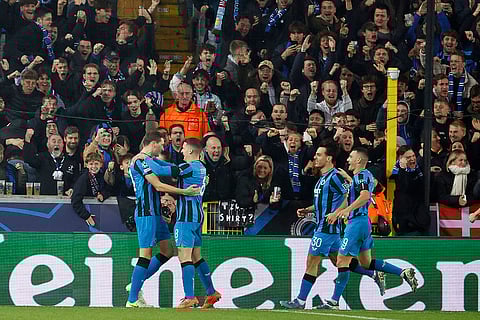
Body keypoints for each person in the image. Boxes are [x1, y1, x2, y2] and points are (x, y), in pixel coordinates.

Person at [279, 144, 385, 309]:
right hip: (328, 229)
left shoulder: (336, 176)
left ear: (328, 158)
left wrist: (337, 213)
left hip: (327, 229)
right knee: (341, 262)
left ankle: (300, 301)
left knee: (311, 262)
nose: (315, 157)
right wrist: (308, 209)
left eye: (319, 154)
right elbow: (323, 202)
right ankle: (373, 274)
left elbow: (348, 196)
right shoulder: (323, 177)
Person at [317, 147, 419, 310]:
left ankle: (334, 301)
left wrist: (346, 211)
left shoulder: (363, 175)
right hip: (363, 224)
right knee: (366, 262)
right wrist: (338, 211)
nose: (348, 159)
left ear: (359, 160)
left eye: (351, 157)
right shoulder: (359, 177)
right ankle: (402, 272)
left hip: (356, 224)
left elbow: (365, 196)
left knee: (341, 261)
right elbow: (357, 194)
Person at [125, 132, 200, 308]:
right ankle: (133, 298)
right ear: (152, 144)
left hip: (155, 213)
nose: (163, 147)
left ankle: (136, 285)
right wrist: (184, 191)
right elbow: (157, 184)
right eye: (161, 144)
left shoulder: (149, 160)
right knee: (145, 254)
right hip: (146, 213)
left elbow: (167, 167)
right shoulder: (139, 161)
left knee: (167, 250)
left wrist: (192, 168)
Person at [144, 138, 222, 308]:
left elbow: (162, 170)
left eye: (184, 148)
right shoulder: (201, 167)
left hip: (186, 217)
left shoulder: (189, 167)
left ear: (192, 151)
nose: (181, 151)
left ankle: (189, 297)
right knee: (196, 256)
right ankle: (211, 293)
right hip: (197, 215)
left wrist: (145, 157)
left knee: (184, 256)